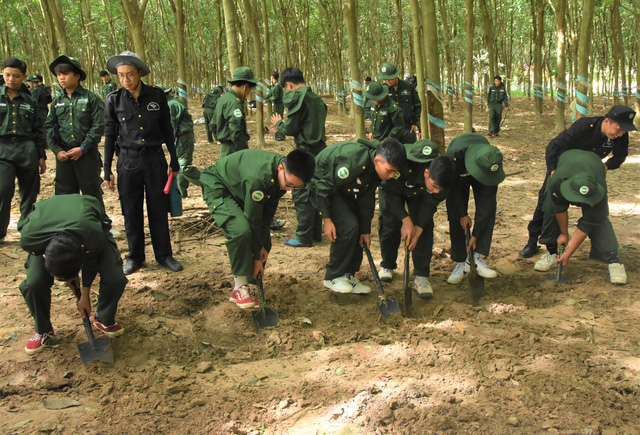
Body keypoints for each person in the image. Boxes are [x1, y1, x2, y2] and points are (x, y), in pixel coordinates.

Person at [200, 149, 315, 308]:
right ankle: (240, 287)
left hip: (240, 188)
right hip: (219, 185)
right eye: (289, 185)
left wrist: (260, 248)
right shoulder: (259, 178)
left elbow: (266, 214)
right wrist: (255, 257)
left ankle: (247, 282)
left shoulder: (282, 177)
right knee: (241, 231)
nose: (290, 190)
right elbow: (253, 219)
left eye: (295, 187)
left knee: (265, 244)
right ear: (281, 168)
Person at [520, 105, 637, 258]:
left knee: (594, 204)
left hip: (589, 172)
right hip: (564, 169)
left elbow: (620, 156)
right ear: (607, 120)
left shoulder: (621, 136)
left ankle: (599, 249)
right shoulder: (584, 126)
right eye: (619, 129)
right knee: (547, 201)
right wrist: (553, 169)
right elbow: (554, 145)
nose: (621, 133)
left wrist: (605, 166)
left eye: (624, 131)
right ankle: (533, 241)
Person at [102, 51, 182, 275]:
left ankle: (164, 255)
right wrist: (107, 169)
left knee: (158, 208)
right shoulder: (113, 100)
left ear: (139, 74)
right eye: (121, 75)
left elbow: (167, 129)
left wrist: (174, 159)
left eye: (129, 75)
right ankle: (135, 257)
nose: (125, 80)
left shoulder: (157, 96)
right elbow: (109, 135)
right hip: (127, 161)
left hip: (155, 159)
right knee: (131, 210)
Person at [19, 194, 127, 355]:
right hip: (45, 230)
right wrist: (70, 278)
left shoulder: (92, 234)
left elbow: (91, 261)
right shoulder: (30, 238)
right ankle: (43, 330)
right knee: (34, 283)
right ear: (44, 256)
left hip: (86, 222)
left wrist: (85, 295)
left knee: (115, 277)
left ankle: (103, 317)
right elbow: (40, 259)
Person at [311, 138, 407, 294]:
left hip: (342, 188)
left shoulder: (376, 171)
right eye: (390, 170)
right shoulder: (354, 162)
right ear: (377, 160)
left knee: (357, 229)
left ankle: (348, 275)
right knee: (349, 226)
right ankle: (333, 276)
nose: (391, 176)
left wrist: (365, 230)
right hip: (321, 186)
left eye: (395, 173)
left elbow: (366, 200)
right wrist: (327, 219)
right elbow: (322, 187)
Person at [378, 140, 457, 298]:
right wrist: (405, 220)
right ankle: (387, 265)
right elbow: (390, 192)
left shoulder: (444, 180)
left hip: (420, 194)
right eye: (434, 186)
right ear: (427, 173)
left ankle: (421, 276)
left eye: (439, 189)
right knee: (390, 224)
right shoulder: (401, 163)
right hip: (395, 190)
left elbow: (430, 205)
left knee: (425, 228)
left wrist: (418, 228)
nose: (436, 191)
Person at [533, 150, 626, 284]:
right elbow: (559, 208)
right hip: (567, 164)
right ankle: (552, 251)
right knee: (549, 209)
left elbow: (588, 222)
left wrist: (569, 251)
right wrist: (564, 234)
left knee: (599, 218)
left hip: (593, 165)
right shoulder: (557, 181)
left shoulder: (599, 190)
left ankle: (612, 259)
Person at [269, 67, 327, 248]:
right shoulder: (317, 99)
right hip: (320, 150)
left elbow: (291, 129)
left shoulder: (299, 99)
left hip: (304, 152)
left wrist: (278, 123)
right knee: (316, 191)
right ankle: (316, 233)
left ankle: (303, 236)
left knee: (301, 192)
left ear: (288, 85)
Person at [45, 55, 105, 209]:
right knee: (65, 196)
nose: (61, 78)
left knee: (91, 194)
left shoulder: (91, 98)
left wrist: (83, 148)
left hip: (86, 155)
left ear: (77, 76)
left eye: (65, 74)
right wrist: (57, 151)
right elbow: (49, 127)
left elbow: (98, 126)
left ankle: (100, 227)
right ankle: (68, 230)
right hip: (64, 156)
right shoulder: (57, 102)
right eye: (58, 74)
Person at [445, 133, 505, 284]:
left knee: (489, 210)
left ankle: (476, 257)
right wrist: (462, 214)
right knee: (455, 213)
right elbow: (454, 193)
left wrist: (476, 235)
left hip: (482, 167)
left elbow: (486, 204)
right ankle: (460, 261)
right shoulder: (454, 157)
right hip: (459, 170)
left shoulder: (491, 162)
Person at [0, 58, 47, 241]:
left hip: (27, 148)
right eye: (7, 75)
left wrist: (41, 155)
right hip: (3, 149)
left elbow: (38, 129)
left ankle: (26, 229)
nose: (11, 79)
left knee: (29, 190)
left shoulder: (30, 99)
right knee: (3, 189)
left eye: (16, 76)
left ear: (24, 77)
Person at [162, 86, 200, 197]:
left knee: (183, 166)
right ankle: (181, 192)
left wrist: (169, 142)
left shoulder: (171, 104)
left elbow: (172, 126)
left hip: (183, 137)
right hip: (181, 137)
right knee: (178, 165)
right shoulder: (170, 103)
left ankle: (208, 183)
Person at [213, 66, 258, 159]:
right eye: (251, 89)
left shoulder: (223, 99)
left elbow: (213, 123)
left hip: (225, 150)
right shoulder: (234, 102)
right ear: (245, 87)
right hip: (233, 151)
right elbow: (236, 132)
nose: (250, 93)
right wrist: (244, 153)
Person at [378, 62, 421, 143]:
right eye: (385, 79)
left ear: (395, 75)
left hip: (407, 128)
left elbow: (417, 105)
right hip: (390, 130)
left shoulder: (408, 86)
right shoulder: (383, 89)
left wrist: (415, 123)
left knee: (408, 152)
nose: (388, 81)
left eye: (390, 78)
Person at [265, 71, 284, 141]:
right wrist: (265, 98)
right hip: (277, 105)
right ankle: (278, 135)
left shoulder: (277, 86)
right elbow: (270, 94)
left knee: (278, 119)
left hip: (279, 105)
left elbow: (275, 97)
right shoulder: (275, 85)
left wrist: (266, 101)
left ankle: (280, 136)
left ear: (272, 77)